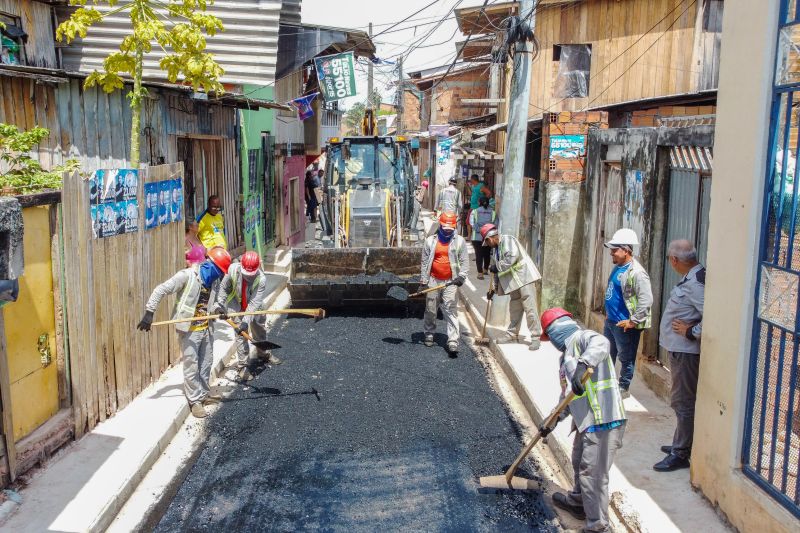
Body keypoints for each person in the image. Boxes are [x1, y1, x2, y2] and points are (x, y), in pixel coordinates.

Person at [539, 307, 626, 533]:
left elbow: (603, 343)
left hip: (605, 419)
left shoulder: (582, 338)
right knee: (578, 461)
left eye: (549, 336)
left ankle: (598, 526)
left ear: (555, 331)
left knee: (593, 474)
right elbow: (568, 397)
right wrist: (552, 420)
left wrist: (584, 364)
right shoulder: (564, 359)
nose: (552, 342)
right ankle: (578, 502)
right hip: (587, 422)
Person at [137, 247, 232, 418]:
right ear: (209, 264)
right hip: (189, 330)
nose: (219, 275)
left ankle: (203, 394)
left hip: (207, 328)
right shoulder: (186, 276)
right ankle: (194, 401)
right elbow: (161, 289)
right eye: (219, 271)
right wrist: (149, 312)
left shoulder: (214, 281)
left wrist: (219, 309)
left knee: (206, 363)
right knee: (191, 365)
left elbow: (215, 302)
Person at [654, 239, 705, 472]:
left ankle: (681, 452)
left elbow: (712, 315)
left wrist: (691, 331)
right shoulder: (692, 277)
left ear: (674, 260)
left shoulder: (696, 284)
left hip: (686, 353)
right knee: (680, 401)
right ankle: (680, 443)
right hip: (679, 351)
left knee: (683, 402)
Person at [213, 251, 281, 382]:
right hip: (236, 305)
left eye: (251, 274)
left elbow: (254, 303)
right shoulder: (232, 270)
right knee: (241, 334)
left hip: (254, 306)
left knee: (259, 328)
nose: (248, 277)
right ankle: (243, 366)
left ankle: (264, 353)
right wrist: (219, 305)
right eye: (246, 274)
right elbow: (224, 288)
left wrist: (246, 321)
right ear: (241, 265)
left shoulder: (261, 279)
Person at [603, 228, 652, 397]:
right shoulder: (618, 267)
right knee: (608, 354)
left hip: (625, 324)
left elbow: (646, 299)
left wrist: (633, 321)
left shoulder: (637, 273)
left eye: (615, 250)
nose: (611, 253)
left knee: (626, 357)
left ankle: (624, 387)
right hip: (611, 321)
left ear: (626, 250)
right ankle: (607, 383)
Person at [482, 223, 543, 350]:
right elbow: (496, 274)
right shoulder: (496, 251)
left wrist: (496, 267)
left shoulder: (508, 240)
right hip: (513, 283)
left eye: (487, 242)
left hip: (525, 279)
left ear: (490, 238)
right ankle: (512, 335)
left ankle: (535, 337)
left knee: (530, 309)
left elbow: (511, 258)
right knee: (515, 310)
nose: (487, 245)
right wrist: (493, 289)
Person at [420, 211, 469, 354]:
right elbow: (424, 262)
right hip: (433, 279)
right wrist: (423, 281)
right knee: (431, 308)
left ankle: (453, 340)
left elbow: (465, 262)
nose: (448, 231)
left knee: (450, 309)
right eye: (445, 228)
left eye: (450, 229)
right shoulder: (430, 241)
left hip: (451, 281)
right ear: (440, 225)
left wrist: (461, 277)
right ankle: (429, 333)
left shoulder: (459, 241)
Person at [468, 197, 495, 279]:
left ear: (479, 203)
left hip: (477, 237)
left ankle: (480, 273)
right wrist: (487, 231)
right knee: (487, 253)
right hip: (488, 236)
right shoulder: (493, 212)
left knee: (478, 254)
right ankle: (485, 270)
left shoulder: (475, 211)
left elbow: (472, 223)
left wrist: (479, 230)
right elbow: (495, 224)